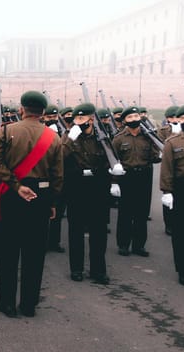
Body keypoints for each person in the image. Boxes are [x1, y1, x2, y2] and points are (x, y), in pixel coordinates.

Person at [0, 91, 63, 318]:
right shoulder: (54, 137)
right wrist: (51, 203)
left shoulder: (6, 130)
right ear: (43, 112)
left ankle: (7, 303)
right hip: (39, 200)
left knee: (9, 253)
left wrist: (16, 185)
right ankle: (29, 304)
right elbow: (58, 176)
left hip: (13, 197)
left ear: (22, 109)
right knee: (34, 255)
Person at [63, 103, 111, 284]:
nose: (79, 122)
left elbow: (111, 159)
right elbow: (59, 157)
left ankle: (98, 270)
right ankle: (76, 269)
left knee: (98, 230)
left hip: (98, 186)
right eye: (77, 118)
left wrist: (114, 178)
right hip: (76, 186)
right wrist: (69, 140)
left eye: (82, 118)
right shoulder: (68, 136)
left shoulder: (103, 137)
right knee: (76, 230)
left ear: (92, 119)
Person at [111, 106, 161, 257]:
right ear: (125, 121)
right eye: (130, 117)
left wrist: (159, 149)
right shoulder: (119, 139)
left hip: (144, 176)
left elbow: (154, 157)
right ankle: (124, 244)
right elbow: (112, 161)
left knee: (142, 212)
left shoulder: (148, 136)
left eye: (136, 116)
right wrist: (114, 182)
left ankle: (139, 245)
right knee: (126, 211)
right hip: (127, 177)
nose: (134, 120)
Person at [160, 104, 184, 286]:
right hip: (183, 189)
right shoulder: (173, 143)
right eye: (183, 119)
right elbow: (166, 169)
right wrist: (167, 192)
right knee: (181, 231)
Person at [41, 104, 66, 253]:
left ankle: (54, 242)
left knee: (57, 211)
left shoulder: (64, 132)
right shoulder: (40, 131)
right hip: (44, 176)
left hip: (59, 177)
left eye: (54, 117)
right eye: (49, 117)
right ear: (43, 117)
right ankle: (42, 242)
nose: (52, 120)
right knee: (43, 213)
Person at [158, 106, 181, 236]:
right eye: (172, 117)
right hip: (169, 166)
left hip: (183, 168)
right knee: (169, 196)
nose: (175, 119)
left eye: (177, 117)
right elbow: (162, 145)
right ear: (167, 119)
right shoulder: (163, 131)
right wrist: (174, 135)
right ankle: (169, 224)